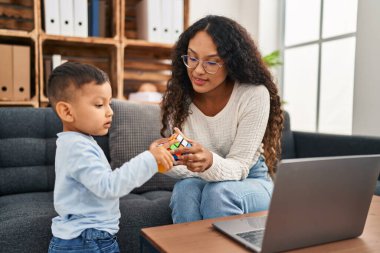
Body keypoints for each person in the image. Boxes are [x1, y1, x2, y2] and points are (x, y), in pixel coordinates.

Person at [160, 15, 284, 223]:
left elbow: (240, 166)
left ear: (232, 63)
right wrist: (164, 158)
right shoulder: (179, 96)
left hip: (251, 178)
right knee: (185, 191)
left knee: (219, 193)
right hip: (201, 177)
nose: (198, 70)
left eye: (211, 62)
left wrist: (208, 162)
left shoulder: (253, 94)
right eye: (191, 58)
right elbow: (179, 166)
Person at [47, 62, 174, 252]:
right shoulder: (77, 148)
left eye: (110, 103)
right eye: (99, 105)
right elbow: (109, 186)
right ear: (66, 111)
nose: (110, 111)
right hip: (86, 241)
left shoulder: (79, 142)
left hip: (89, 238)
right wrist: (150, 159)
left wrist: (152, 157)